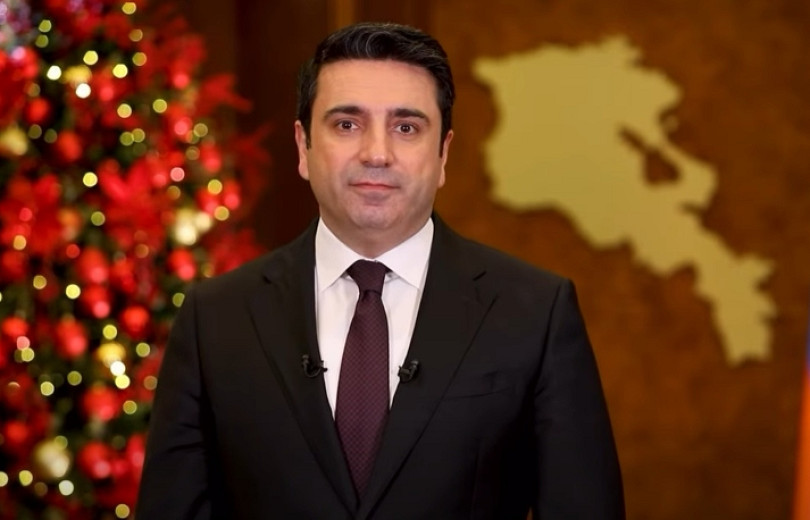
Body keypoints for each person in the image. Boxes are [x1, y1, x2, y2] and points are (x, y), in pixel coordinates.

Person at [136, 22, 624, 519]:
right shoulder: (215, 318)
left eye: (406, 127)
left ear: (443, 153)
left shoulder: (536, 313)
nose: (376, 154)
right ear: (303, 146)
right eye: (347, 124)